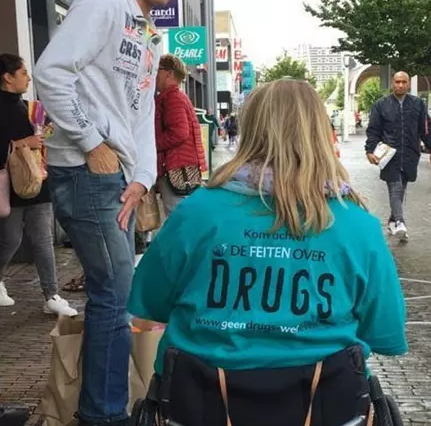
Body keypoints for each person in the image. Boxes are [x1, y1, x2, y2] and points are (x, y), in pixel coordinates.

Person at [127, 79, 407, 424]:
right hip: (324, 405)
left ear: (250, 130)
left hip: (201, 402)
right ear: (320, 132)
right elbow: (385, 333)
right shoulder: (357, 224)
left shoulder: (197, 212)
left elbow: (150, 302)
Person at [33, 0, 193, 424]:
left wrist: (143, 176)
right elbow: (50, 72)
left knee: (117, 295)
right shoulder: (102, 5)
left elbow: (140, 115)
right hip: (86, 172)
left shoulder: (145, 33)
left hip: (117, 180)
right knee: (114, 293)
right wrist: (91, 142)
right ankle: (102, 415)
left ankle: (102, 409)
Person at [0, 54, 77, 316]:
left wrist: (46, 133)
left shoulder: (29, 107)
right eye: (22, 73)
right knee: (11, 239)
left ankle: (51, 295)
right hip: (11, 184)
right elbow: (17, 143)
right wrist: (23, 143)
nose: (28, 77)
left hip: (37, 180)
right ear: (7, 77)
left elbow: (39, 139)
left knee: (43, 239)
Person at [365, 71, 431, 240]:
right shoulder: (380, 105)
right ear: (392, 83)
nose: (400, 85)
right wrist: (369, 150)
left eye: (403, 82)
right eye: (397, 82)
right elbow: (374, 130)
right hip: (389, 155)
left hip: (410, 154)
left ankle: (392, 221)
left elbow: (426, 129)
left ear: (408, 84)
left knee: (401, 188)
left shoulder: (418, 104)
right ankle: (399, 221)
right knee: (395, 186)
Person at [155, 54, 208, 217]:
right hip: (181, 168)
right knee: (184, 216)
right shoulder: (176, 96)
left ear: (169, 73)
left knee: (177, 218)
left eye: (158, 70)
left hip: (175, 170)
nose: (154, 74)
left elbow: (179, 132)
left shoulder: (172, 98)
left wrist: (151, 145)